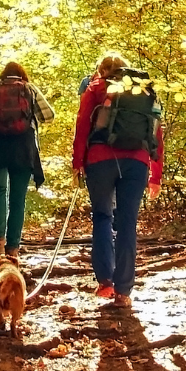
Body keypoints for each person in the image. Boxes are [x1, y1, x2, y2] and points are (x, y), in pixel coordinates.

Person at [72, 52, 164, 305]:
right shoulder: (143, 91)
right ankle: (124, 292)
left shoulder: (95, 88)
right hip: (137, 162)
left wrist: (77, 162)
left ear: (101, 70)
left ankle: (105, 283)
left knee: (102, 216)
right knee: (127, 223)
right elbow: (157, 131)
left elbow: (82, 126)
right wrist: (156, 174)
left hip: (100, 160)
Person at [0, 61, 54, 257]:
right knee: (18, 198)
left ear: (3, 74)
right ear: (22, 75)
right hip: (23, 147)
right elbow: (49, 115)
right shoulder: (29, 88)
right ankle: (13, 248)